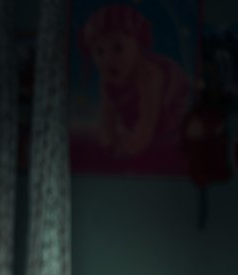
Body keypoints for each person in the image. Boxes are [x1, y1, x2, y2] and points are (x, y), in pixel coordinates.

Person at [72, 3, 190, 174]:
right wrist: (108, 142)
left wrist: (129, 148)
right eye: (99, 52)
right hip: (134, 119)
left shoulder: (149, 75)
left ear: (138, 45)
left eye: (118, 48)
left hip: (169, 117)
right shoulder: (108, 79)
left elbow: (147, 120)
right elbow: (107, 115)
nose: (108, 59)